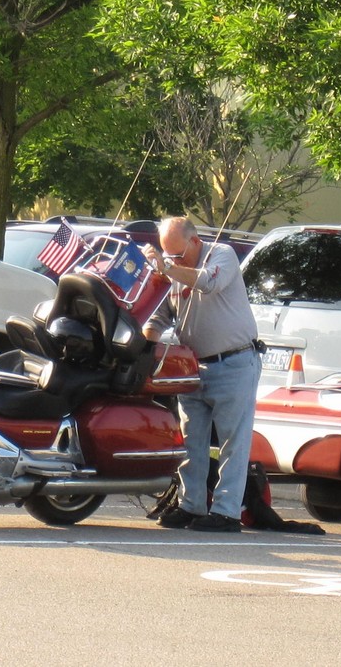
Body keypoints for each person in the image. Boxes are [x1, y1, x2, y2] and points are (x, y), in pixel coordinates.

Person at [141, 216, 261, 532]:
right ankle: (190, 505)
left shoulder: (222, 254)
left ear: (195, 241)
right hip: (192, 367)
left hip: (234, 363)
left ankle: (226, 512)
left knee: (233, 443)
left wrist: (167, 268)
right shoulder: (172, 270)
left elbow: (208, 281)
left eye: (178, 255)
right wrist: (142, 344)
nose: (172, 261)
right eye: (168, 256)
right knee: (190, 441)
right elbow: (161, 316)